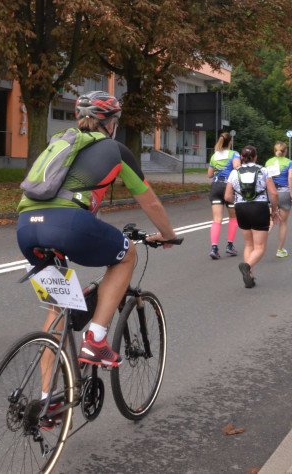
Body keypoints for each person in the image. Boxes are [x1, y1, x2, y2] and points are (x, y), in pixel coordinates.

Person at [17, 91, 177, 368]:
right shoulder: (116, 150)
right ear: (110, 122)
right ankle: (96, 340)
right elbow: (150, 202)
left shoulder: (62, 142)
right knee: (127, 255)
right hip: (68, 225)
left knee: (57, 312)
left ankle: (48, 393)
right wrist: (168, 234)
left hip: (26, 227)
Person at [225, 146, 279, 288]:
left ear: (241, 158)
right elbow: (274, 194)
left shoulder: (234, 172)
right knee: (260, 247)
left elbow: (227, 196)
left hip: (241, 209)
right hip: (259, 208)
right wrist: (274, 210)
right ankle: (247, 266)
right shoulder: (263, 170)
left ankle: (250, 276)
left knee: (249, 244)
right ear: (255, 157)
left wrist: (238, 201)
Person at [207, 131, 241, 259]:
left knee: (217, 219)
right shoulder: (234, 154)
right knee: (233, 217)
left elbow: (209, 174)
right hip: (229, 187)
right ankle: (230, 246)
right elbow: (237, 168)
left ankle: (214, 248)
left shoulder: (214, 156)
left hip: (216, 186)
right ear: (230, 142)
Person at [264, 142, 292, 258]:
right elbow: (290, 177)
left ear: (274, 150)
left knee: (269, 221)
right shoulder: (289, 162)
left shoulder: (268, 162)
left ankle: (258, 244)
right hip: (284, 193)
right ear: (285, 151)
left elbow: (266, 178)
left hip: (271, 193)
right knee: (283, 223)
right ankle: (280, 250)